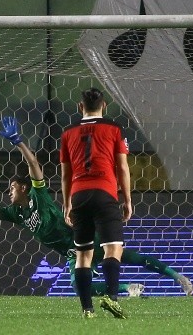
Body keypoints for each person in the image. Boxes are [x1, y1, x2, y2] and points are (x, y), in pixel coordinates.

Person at [0, 116, 193, 302]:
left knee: (124, 255)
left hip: (82, 238)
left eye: (11, 188)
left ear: (23, 188)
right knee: (79, 285)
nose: (8, 192)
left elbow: (34, 165)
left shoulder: (38, 195)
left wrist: (18, 142)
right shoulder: (16, 214)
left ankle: (177, 277)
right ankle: (129, 288)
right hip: (71, 252)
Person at [60, 87, 132, 319]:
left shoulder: (67, 133)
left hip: (79, 195)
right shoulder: (113, 129)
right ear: (105, 106)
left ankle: (87, 309)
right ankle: (111, 298)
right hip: (105, 193)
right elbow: (122, 167)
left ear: (80, 107)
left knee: (83, 254)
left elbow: (65, 175)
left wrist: (67, 203)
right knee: (113, 248)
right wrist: (127, 200)